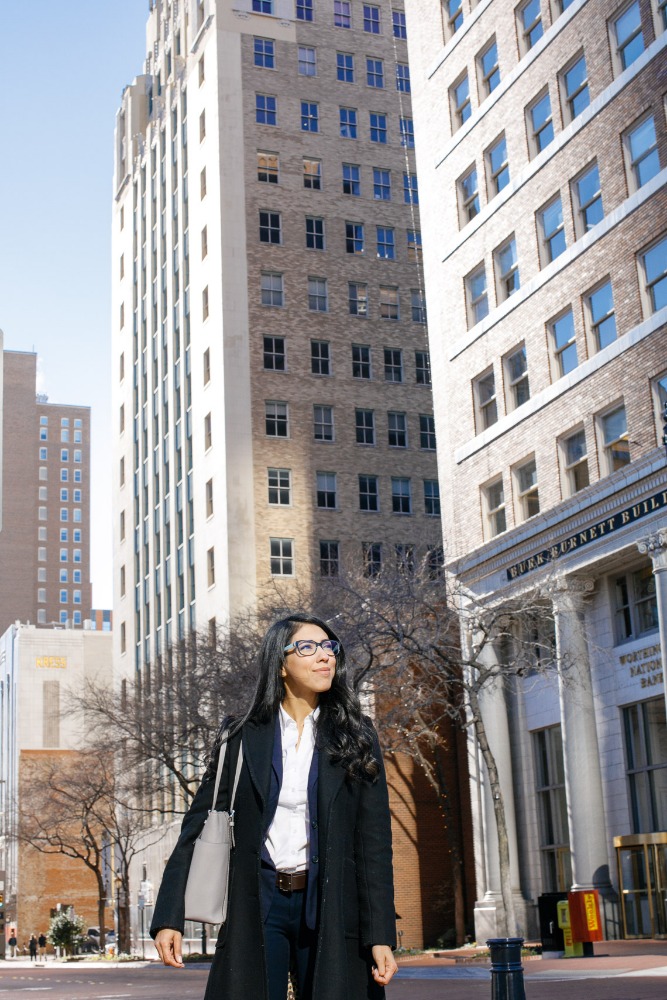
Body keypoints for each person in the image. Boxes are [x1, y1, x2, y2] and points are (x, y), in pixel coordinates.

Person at [151, 612, 398, 1000]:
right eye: (308, 647)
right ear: (281, 664)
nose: (325, 656)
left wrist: (380, 934)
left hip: (331, 904)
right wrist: (169, 915)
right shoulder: (240, 735)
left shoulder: (356, 735)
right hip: (258, 901)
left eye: (329, 647)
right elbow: (197, 825)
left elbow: (374, 843)